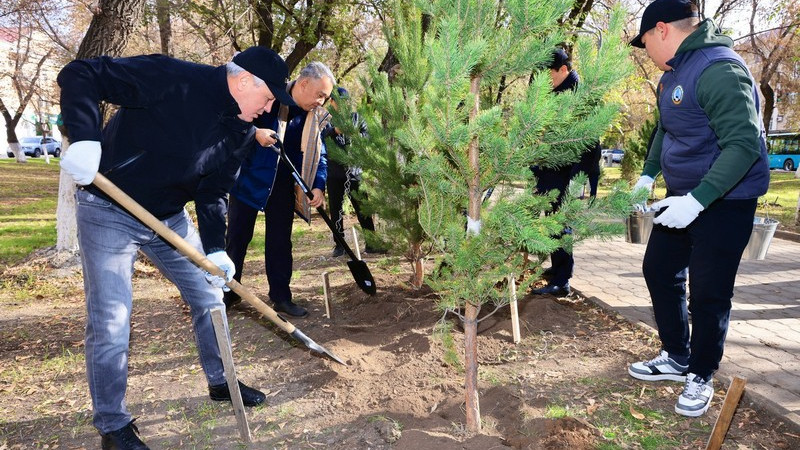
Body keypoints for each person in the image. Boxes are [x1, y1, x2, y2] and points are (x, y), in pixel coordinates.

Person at [57, 46, 293, 449]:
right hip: (107, 209)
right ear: (243, 82)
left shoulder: (240, 130)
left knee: (210, 297)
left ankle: (221, 381)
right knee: (111, 319)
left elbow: (213, 193)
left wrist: (216, 249)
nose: (269, 109)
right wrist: (85, 137)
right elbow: (80, 73)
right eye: (269, 98)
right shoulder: (171, 77)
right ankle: (113, 426)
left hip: (168, 220)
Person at [627, 0, 769, 417]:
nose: (646, 51)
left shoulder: (718, 69)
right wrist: (648, 174)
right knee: (659, 270)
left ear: (661, 30)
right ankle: (676, 356)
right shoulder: (673, 75)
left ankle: (701, 374)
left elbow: (743, 144)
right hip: (684, 197)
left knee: (708, 292)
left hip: (726, 200)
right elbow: (666, 129)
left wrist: (697, 201)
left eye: (645, 42)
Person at [223, 62, 335, 318]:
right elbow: (235, 123)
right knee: (237, 238)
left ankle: (282, 297)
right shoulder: (268, 96)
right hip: (248, 180)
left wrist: (318, 185)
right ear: (303, 84)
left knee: (280, 242)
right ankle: (228, 292)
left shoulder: (313, 116)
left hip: (283, 186)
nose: (321, 102)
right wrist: (255, 133)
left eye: (325, 98)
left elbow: (320, 153)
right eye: (320, 95)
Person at [530, 48, 586, 296]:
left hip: (566, 170)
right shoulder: (558, 90)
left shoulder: (576, 94)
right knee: (551, 219)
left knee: (560, 222)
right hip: (550, 167)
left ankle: (562, 281)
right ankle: (557, 268)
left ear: (563, 70)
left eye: (549, 75)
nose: (547, 82)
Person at [322, 87, 382, 257]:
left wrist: (353, 134)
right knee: (336, 211)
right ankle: (340, 245)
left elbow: (367, 137)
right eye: (338, 101)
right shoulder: (326, 119)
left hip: (355, 172)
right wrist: (334, 131)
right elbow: (319, 137)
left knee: (363, 208)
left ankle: (372, 243)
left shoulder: (356, 118)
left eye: (345, 101)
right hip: (334, 173)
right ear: (332, 102)